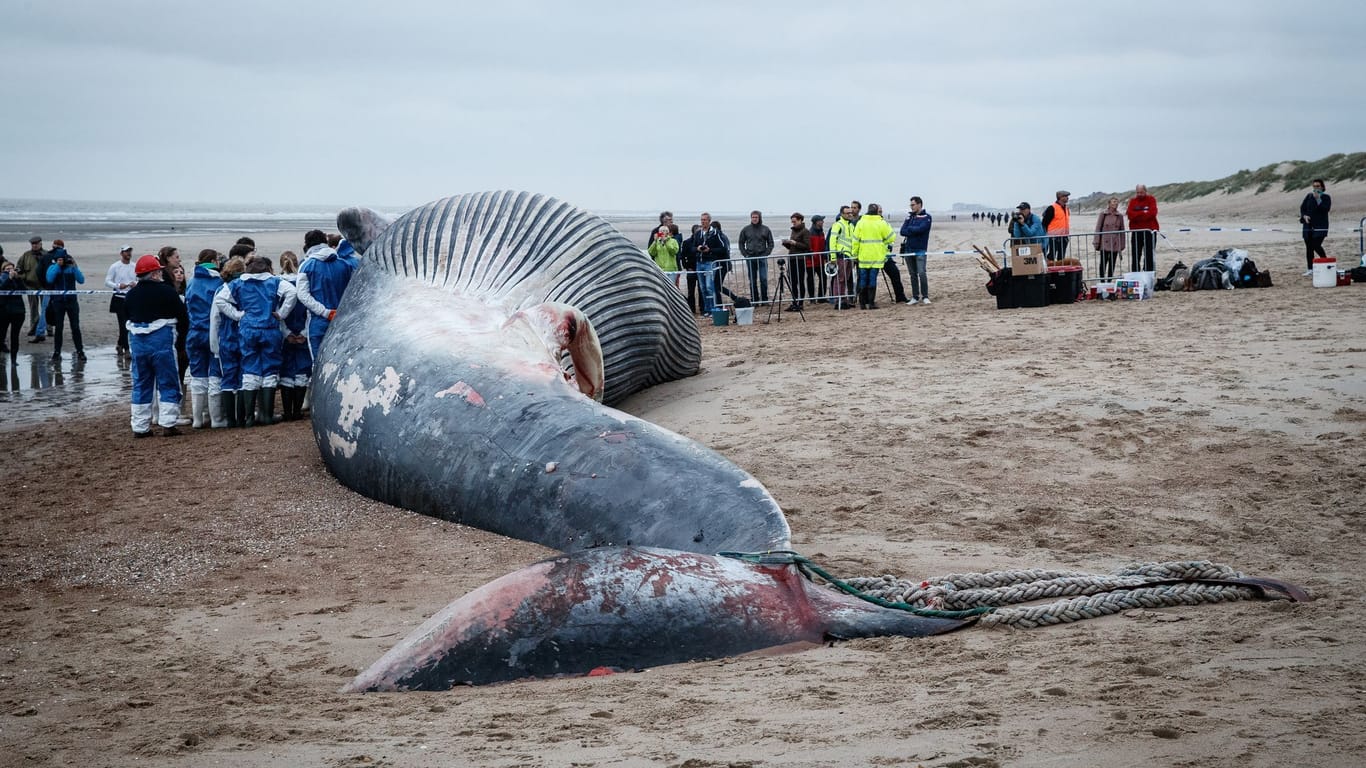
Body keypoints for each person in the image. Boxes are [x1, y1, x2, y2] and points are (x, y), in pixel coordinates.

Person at [226, 253, 297, 426]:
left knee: (250, 367)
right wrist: (281, 313)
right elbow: (293, 293)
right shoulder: (274, 282)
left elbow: (221, 300)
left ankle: (250, 417)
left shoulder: (238, 283)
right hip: (269, 328)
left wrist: (237, 315)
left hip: (248, 329)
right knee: (270, 369)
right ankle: (266, 415)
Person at [124, 254, 189, 437]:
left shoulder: (131, 294)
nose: (161, 273)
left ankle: (140, 426)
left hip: (138, 344)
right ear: (154, 274)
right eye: (159, 270)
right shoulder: (167, 292)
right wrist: (182, 342)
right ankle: (168, 424)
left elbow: (126, 316)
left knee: (141, 384)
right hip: (162, 342)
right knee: (168, 383)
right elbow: (183, 317)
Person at [296, 228, 356, 360]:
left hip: (319, 319)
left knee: (318, 362)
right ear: (325, 242)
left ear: (308, 245)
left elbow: (302, 295)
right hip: (342, 318)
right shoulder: (344, 264)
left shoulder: (306, 265)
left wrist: (325, 312)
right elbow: (354, 291)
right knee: (341, 358)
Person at [184, 249, 225, 428]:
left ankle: (198, 419)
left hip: (194, 332)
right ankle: (216, 418)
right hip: (212, 333)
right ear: (214, 261)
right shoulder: (218, 282)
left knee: (197, 375)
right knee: (215, 374)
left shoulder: (191, 282)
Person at [210, 255, 248, 427]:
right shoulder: (247, 287)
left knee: (228, 377)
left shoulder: (222, 290)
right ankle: (241, 418)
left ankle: (230, 420)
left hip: (226, 337)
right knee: (242, 376)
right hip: (243, 335)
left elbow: (215, 319)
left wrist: (214, 346)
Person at [277, 251, 311, 421]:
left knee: (286, 371)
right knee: (302, 371)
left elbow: (276, 313)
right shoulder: (303, 282)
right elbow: (309, 309)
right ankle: (297, 411)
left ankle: (288, 411)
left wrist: (286, 333)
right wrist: (304, 333)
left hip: (286, 334)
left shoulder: (277, 283)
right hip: (302, 332)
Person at [43, 242, 86, 362]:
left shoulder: (70, 268)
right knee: (59, 328)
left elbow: (81, 280)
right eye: (60, 259)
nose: (63, 261)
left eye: (64, 259)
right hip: (58, 302)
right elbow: (49, 279)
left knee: (75, 327)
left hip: (71, 301)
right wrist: (57, 266)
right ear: (57, 259)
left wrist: (74, 267)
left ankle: (80, 351)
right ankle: (57, 352)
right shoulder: (53, 268)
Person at [852, 203, 895, 309]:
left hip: (863, 256)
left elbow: (855, 240)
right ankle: (871, 303)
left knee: (862, 279)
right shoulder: (881, 222)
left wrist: (854, 254)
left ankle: (862, 303)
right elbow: (891, 237)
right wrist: (882, 241)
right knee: (872, 280)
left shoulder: (861, 223)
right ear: (876, 211)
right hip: (876, 257)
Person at [900, 196, 933, 304]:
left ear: (919, 204)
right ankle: (915, 296)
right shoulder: (909, 217)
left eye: (913, 204)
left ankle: (925, 296)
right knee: (912, 274)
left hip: (920, 249)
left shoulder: (927, 217)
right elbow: (902, 231)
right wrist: (912, 230)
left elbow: (922, 229)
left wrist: (911, 229)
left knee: (922, 273)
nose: (911, 207)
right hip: (908, 249)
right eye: (911, 205)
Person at [105, 245, 137, 355]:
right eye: (126, 251)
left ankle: (120, 344)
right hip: (119, 298)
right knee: (123, 325)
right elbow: (107, 281)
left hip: (131, 298)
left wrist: (135, 284)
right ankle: (126, 349)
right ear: (121, 253)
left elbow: (139, 279)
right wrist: (118, 285)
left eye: (129, 251)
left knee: (130, 324)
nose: (128, 253)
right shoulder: (115, 266)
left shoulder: (134, 266)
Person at [16, 236, 49, 341]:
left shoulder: (47, 255)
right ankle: (33, 328)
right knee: (33, 308)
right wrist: (22, 277)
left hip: (44, 286)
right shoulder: (26, 255)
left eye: (36, 243)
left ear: (41, 244)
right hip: (30, 285)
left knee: (46, 308)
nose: (34, 245)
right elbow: (19, 268)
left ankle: (49, 328)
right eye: (32, 244)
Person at [738, 211, 774, 303]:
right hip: (750, 258)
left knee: (763, 279)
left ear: (760, 218)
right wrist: (745, 254)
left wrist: (766, 254)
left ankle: (764, 300)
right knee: (752, 280)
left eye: (756, 217)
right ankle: (755, 300)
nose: (754, 219)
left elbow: (771, 243)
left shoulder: (765, 229)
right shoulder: (746, 229)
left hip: (762, 257)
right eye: (753, 217)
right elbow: (741, 243)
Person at [1299, 179, 1331, 276]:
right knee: (1309, 248)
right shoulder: (1309, 196)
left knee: (1316, 245)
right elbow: (1302, 208)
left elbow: (1325, 209)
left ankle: (1326, 262)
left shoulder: (1326, 197)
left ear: (1322, 187)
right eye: (1314, 186)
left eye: (1318, 186)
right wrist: (1304, 216)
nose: (1316, 188)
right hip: (1308, 225)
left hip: (1321, 225)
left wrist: (1318, 199)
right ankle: (1310, 268)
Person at [828, 205, 857, 310]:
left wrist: (854, 256)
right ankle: (838, 300)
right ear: (842, 214)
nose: (850, 214)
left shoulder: (851, 225)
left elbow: (853, 241)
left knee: (845, 279)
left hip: (849, 256)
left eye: (850, 213)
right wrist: (833, 256)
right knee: (840, 279)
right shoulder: (838, 225)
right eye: (847, 213)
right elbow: (832, 240)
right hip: (841, 255)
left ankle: (843, 299)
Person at [1125, 184, 1159, 273]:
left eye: (1141, 192)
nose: (1139, 194)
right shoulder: (1133, 201)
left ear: (1145, 191)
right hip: (1136, 232)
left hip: (1150, 231)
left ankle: (1148, 273)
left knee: (1149, 254)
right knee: (1136, 254)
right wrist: (1143, 213)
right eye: (1137, 192)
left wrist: (1138, 215)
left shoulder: (1151, 199)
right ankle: (1136, 273)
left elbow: (1152, 213)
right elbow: (1130, 214)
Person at [780, 213, 811, 311]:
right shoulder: (793, 231)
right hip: (792, 258)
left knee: (800, 281)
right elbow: (792, 247)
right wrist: (787, 244)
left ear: (800, 220)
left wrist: (795, 243)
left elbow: (807, 246)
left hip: (800, 259)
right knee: (792, 282)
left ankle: (800, 303)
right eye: (792, 222)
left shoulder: (805, 231)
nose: (793, 223)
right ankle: (794, 302)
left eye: (795, 221)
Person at [1093, 197, 1127, 279]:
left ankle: (1109, 280)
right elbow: (1098, 228)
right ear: (1109, 203)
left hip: (1115, 243)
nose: (1115, 203)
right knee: (1103, 263)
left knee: (1112, 263)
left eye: (1116, 202)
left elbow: (1122, 231)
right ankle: (1102, 280)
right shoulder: (1103, 214)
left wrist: (1122, 244)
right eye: (1113, 202)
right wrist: (1096, 241)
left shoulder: (1119, 216)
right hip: (1104, 242)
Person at [0, 262, 26, 364]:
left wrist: (17, 278)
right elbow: (2, 288)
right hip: (3, 311)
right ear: (3, 270)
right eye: (7, 269)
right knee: (1, 334)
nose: (10, 271)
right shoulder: (2, 278)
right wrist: (9, 278)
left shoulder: (17, 279)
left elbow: (24, 290)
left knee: (15, 336)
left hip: (18, 311)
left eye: (12, 269)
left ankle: (14, 359)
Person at [1041, 190, 1071, 261]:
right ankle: (1050, 269)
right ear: (1060, 197)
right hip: (1053, 237)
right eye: (1065, 196)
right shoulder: (1052, 208)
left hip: (1064, 237)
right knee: (1051, 255)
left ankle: (1059, 270)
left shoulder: (1066, 208)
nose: (1067, 198)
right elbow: (1044, 222)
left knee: (1061, 257)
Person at [678, 224, 702, 314]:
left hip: (700, 268)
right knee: (691, 291)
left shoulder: (702, 241)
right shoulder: (687, 242)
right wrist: (687, 267)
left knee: (701, 289)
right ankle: (691, 309)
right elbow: (683, 256)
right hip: (691, 268)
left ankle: (702, 308)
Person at [807, 215, 827, 302]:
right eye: (821, 220)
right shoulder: (810, 233)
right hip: (810, 261)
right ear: (816, 222)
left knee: (823, 278)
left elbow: (823, 245)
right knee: (811, 279)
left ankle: (821, 297)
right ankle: (812, 298)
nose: (823, 222)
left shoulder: (821, 232)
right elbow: (808, 246)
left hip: (820, 260)